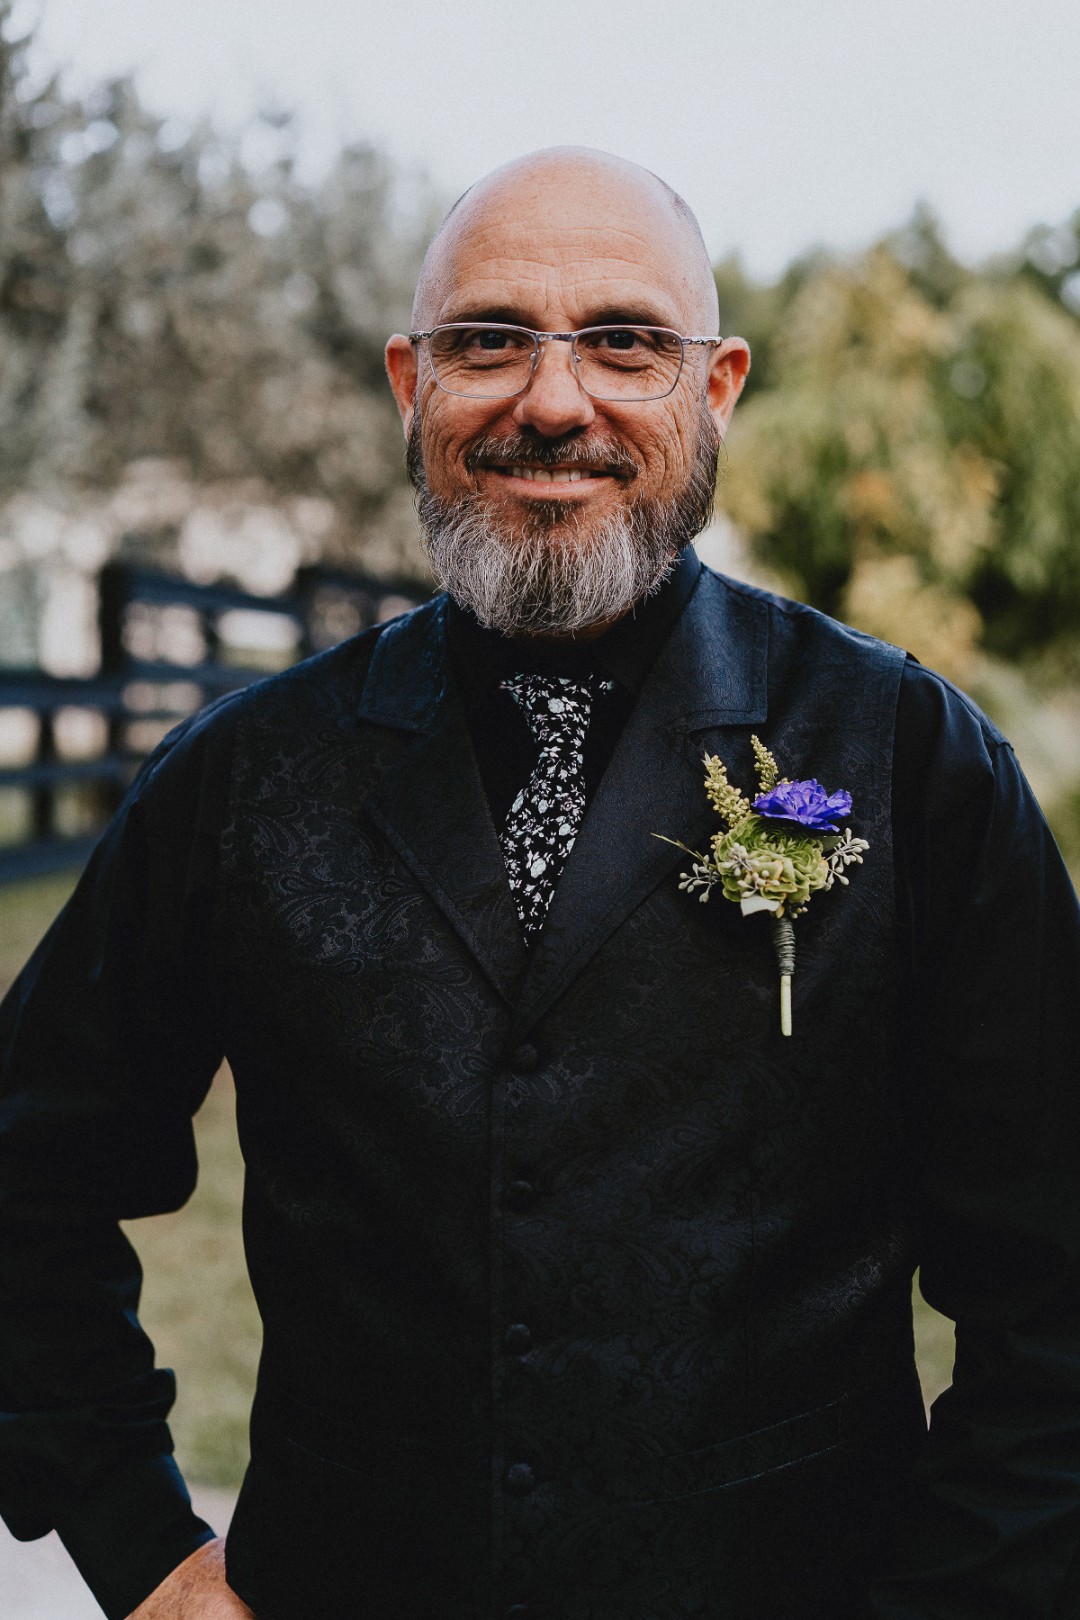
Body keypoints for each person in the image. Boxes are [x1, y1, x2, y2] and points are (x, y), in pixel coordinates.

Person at [1, 146, 1079, 1620]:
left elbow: (1058, 1284)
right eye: (489, 339)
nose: (553, 401)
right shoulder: (246, 775)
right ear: (410, 383)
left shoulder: (907, 756)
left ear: (719, 388)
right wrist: (144, 1549)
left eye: (626, 341)